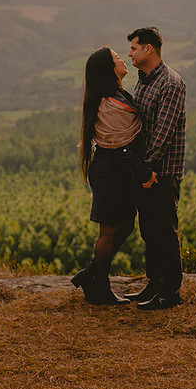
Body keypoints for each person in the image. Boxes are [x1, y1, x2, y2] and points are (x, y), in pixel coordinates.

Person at [72, 47, 156, 305]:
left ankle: (92, 274)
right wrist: (144, 172)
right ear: (109, 68)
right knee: (108, 232)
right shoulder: (109, 104)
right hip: (110, 172)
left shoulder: (116, 95)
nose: (123, 59)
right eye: (117, 57)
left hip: (117, 171)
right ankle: (99, 287)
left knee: (126, 224)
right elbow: (120, 147)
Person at [124, 26, 186, 310]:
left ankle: (169, 292)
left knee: (164, 232)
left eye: (134, 48)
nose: (130, 54)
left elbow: (163, 134)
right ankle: (154, 283)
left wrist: (146, 169)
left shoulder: (170, 83)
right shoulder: (144, 81)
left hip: (162, 172)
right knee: (149, 231)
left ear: (148, 49)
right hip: (146, 172)